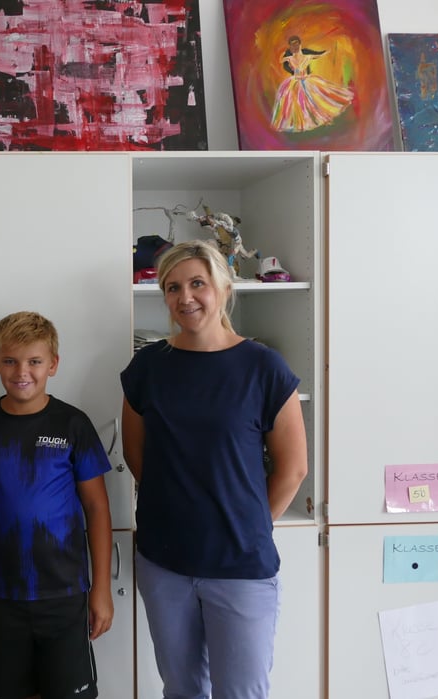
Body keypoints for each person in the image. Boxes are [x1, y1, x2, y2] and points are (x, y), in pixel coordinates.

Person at [120, 240, 308, 699]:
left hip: (240, 566)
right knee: (181, 689)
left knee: (240, 692)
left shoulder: (263, 367)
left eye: (197, 284)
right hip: (164, 563)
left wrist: (248, 527)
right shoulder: (148, 367)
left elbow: (293, 469)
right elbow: (137, 456)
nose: (185, 297)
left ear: (224, 288)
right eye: (172, 287)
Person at [0, 311, 114, 699]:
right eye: (10, 361)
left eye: (34, 361)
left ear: (53, 364)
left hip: (64, 593)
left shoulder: (73, 424)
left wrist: (101, 588)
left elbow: (98, 509)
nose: (22, 372)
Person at [270, 34, 354, 133]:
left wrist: (326, 52)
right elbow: (281, 60)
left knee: (315, 98)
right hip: (295, 81)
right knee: (294, 101)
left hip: (306, 80)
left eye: (296, 45)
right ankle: (300, 121)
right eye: (292, 46)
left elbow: (318, 55)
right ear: (291, 47)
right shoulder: (290, 58)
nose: (295, 47)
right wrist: (284, 54)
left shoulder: (307, 56)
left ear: (300, 45)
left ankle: (317, 116)